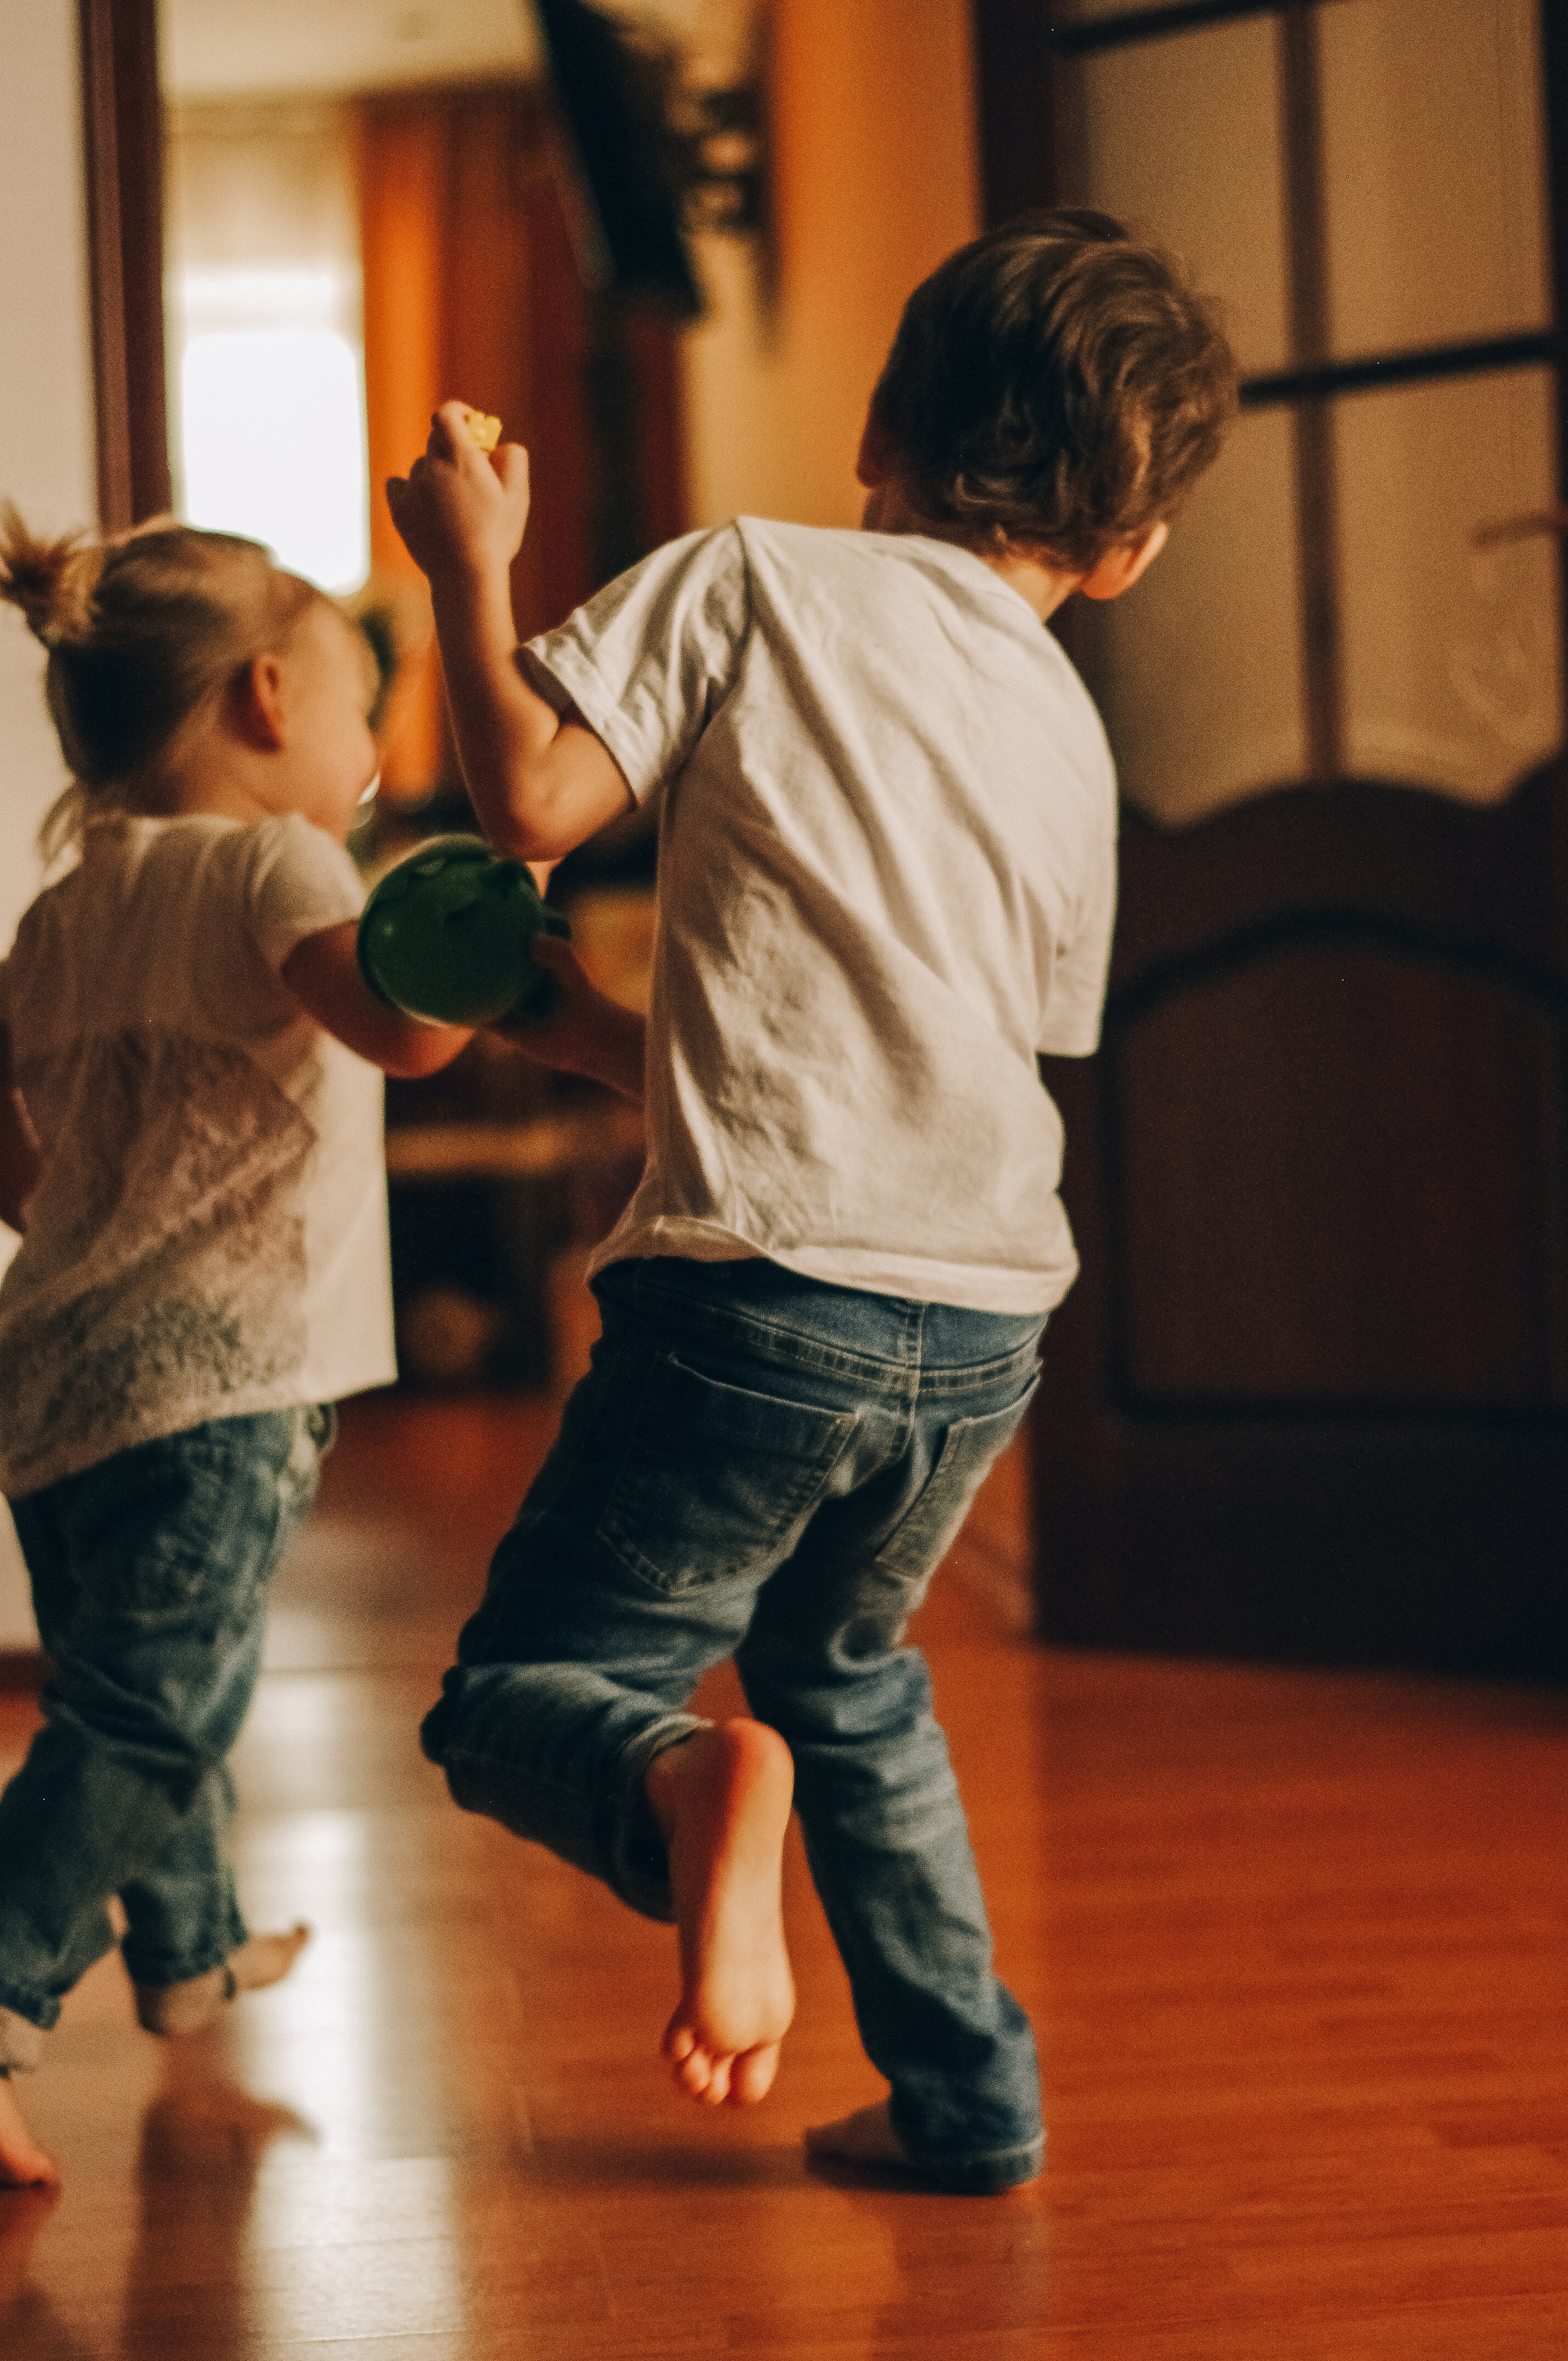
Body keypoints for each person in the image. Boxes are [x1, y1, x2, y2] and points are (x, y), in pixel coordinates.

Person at [387, 210, 1237, 2194]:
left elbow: (531, 805)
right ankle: (969, 2099)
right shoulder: (1070, 731)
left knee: (528, 1697)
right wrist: (590, 1035)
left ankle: (691, 1791)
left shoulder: (756, 576)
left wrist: (469, 567)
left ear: (880, 433)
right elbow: (928, 1054)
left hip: (758, 1300)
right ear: (1129, 550)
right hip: (986, 1318)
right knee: (847, 1680)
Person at [0, 515, 590, 2189]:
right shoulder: (275, 867)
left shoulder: (61, 910)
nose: (363, 760)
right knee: (155, 1711)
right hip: (212, 1387)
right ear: (268, 698)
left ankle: (190, 1948)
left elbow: (8, 1124)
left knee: (129, 1678)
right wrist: (502, 909)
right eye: (356, 715)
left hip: (50, 1375)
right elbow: (406, 1032)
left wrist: (75, 1218)